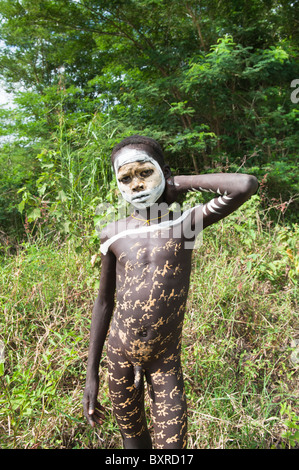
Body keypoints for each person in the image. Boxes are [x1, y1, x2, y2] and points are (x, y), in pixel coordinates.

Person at [83, 135, 258, 449]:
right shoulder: (112, 232)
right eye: (125, 178)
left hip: (164, 362)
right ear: (117, 185)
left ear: (164, 171)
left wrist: (179, 183)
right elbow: (104, 302)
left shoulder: (186, 223)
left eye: (145, 172)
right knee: (133, 444)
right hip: (119, 358)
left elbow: (245, 184)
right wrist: (91, 372)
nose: (136, 184)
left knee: (172, 448)